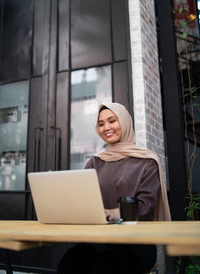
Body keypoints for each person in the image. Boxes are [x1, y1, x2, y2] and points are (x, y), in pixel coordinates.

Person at [57, 103, 171, 274]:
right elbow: (85, 201)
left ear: (124, 122)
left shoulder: (147, 161)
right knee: (69, 264)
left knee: (103, 266)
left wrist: (115, 213)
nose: (106, 127)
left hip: (136, 242)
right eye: (101, 124)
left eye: (112, 121)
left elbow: (146, 207)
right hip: (98, 239)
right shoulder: (94, 162)